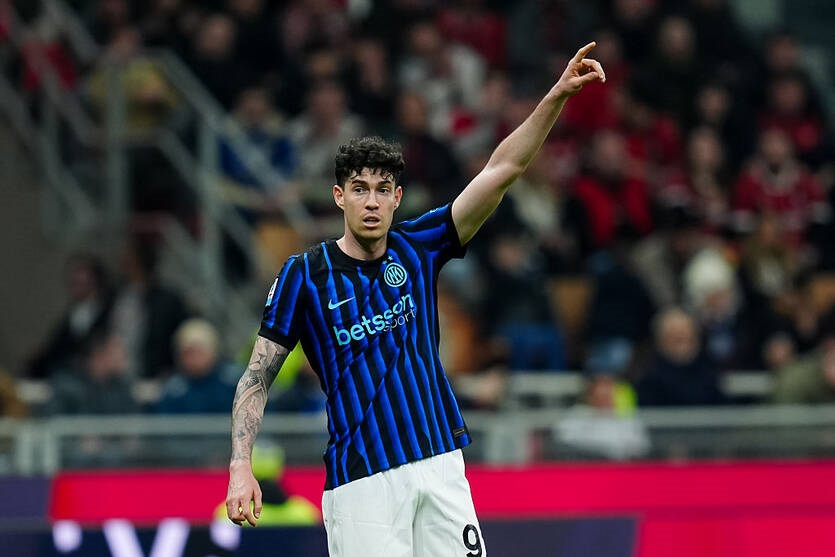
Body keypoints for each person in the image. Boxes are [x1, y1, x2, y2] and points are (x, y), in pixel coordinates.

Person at [225, 42, 605, 557]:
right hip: (362, 482)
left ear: (397, 198)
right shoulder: (304, 275)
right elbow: (256, 375)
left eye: (383, 189)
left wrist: (556, 95)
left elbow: (501, 170)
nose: (372, 201)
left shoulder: (419, 246)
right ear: (339, 197)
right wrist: (240, 465)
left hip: (440, 463)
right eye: (360, 189)